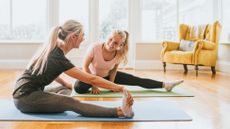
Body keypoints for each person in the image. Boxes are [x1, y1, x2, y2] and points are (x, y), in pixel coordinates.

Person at [12, 20, 134, 118]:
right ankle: (120, 112)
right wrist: (120, 87)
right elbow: (92, 80)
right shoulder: (58, 57)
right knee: (71, 102)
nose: (84, 38)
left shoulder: (55, 50)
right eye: (82, 35)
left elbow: (50, 70)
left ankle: (58, 102)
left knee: (66, 90)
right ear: (74, 37)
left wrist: (65, 83)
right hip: (25, 98)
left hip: (28, 91)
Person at [74, 30, 183, 94]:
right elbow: (85, 66)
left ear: (120, 46)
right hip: (90, 76)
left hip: (107, 76)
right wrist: (94, 84)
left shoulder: (119, 54)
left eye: (116, 43)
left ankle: (165, 85)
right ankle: (94, 84)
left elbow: (114, 70)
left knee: (136, 80)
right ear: (107, 37)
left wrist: (111, 85)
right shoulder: (94, 47)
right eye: (111, 39)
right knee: (78, 87)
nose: (112, 43)